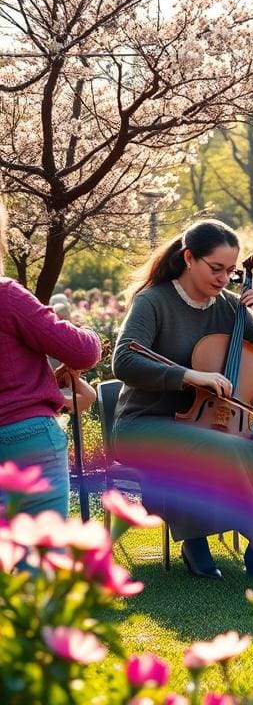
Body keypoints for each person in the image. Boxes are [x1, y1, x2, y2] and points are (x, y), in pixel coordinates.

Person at [112, 219, 253, 583]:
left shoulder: (230, 308)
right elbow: (124, 360)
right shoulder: (154, 301)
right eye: (216, 269)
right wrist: (188, 375)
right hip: (144, 424)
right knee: (228, 447)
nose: (225, 278)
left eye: (230, 270)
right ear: (189, 258)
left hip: (209, 419)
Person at [0, 198, 102, 517]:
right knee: (39, 556)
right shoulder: (5, 296)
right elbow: (82, 351)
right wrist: (89, 334)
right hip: (24, 436)